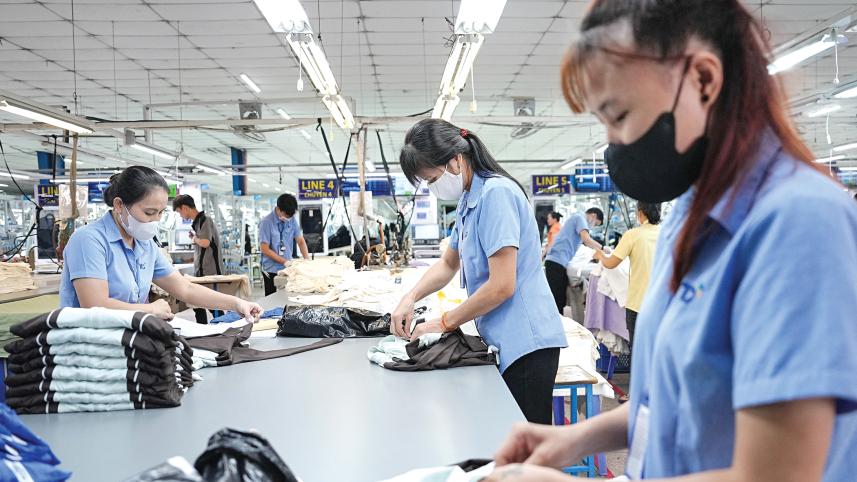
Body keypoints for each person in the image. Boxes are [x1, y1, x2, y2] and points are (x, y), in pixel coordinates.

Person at [486, 1, 857, 481]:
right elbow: (672, 400)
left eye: (619, 115)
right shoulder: (690, 212)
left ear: (703, 80)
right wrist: (573, 438)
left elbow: (778, 474)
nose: (613, 144)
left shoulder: (799, 222)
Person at [392, 119, 567, 424]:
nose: (434, 187)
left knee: (526, 450)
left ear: (455, 161)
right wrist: (410, 296)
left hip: (526, 343)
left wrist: (444, 322)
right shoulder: (469, 200)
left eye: (432, 179)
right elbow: (448, 263)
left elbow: (502, 286)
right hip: (505, 339)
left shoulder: (495, 195)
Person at [59, 166, 262, 323]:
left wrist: (237, 303)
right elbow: (94, 305)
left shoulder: (144, 245)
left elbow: (185, 289)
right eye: (149, 213)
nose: (154, 220)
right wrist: (149, 309)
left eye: (160, 213)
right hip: (89, 347)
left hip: (130, 340)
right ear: (119, 205)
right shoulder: (88, 240)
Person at [593, 202, 661, 347]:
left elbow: (610, 263)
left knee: (638, 350)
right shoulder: (667, 234)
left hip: (638, 304)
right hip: (662, 303)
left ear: (640, 212)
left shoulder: (633, 235)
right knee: (658, 349)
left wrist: (600, 256)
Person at [172, 194, 225, 324]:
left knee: (213, 305)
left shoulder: (205, 220)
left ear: (185, 208)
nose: (180, 215)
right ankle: (203, 329)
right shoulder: (197, 223)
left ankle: (223, 327)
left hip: (210, 271)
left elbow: (206, 243)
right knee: (198, 305)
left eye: (179, 212)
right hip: (202, 271)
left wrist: (195, 239)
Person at [543, 208, 603, 313]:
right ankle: (557, 326)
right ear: (593, 216)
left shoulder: (576, 218)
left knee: (559, 298)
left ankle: (559, 324)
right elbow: (586, 239)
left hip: (558, 262)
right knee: (557, 300)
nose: (593, 226)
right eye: (596, 223)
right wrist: (602, 249)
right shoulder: (580, 218)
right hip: (556, 262)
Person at [259, 193, 309, 296]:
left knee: (287, 297)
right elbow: (264, 249)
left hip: (287, 269)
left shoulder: (291, 220)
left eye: (290, 217)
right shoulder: (266, 222)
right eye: (286, 216)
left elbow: (300, 241)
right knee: (271, 300)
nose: (288, 219)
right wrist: (284, 261)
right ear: (278, 209)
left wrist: (307, 260)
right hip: (271, 269)